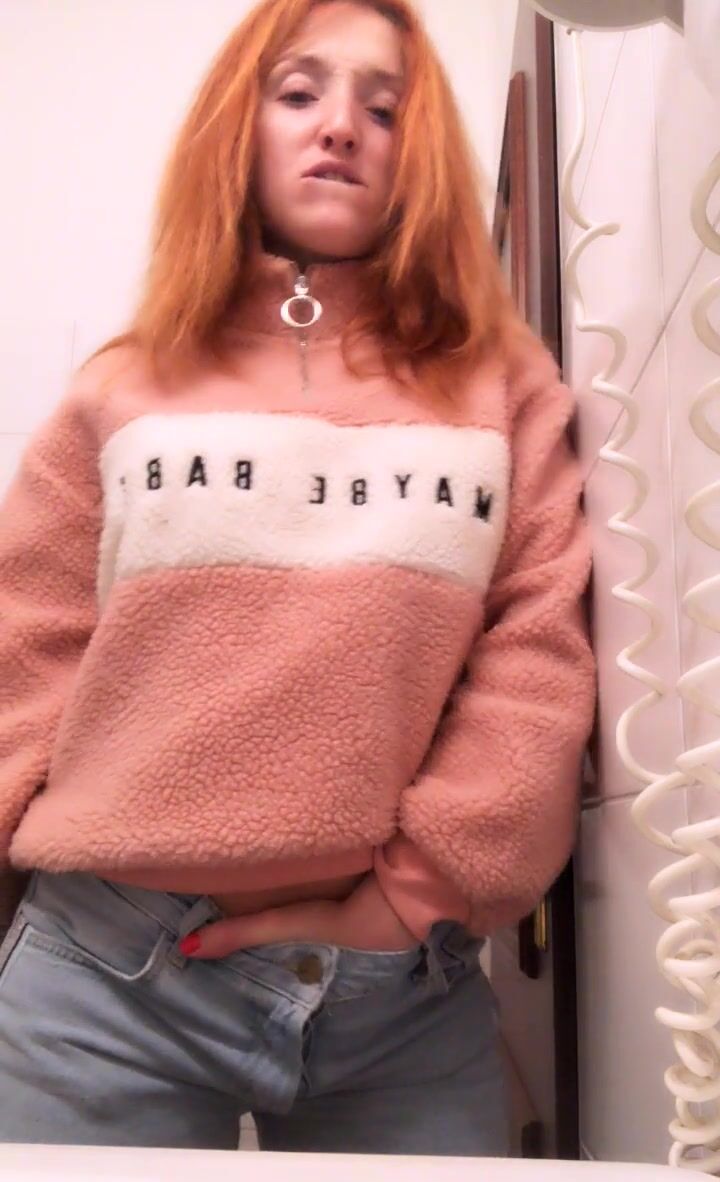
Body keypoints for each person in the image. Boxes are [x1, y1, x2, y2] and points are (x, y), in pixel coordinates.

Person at [0, 0, 596, 1157]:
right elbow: (26, 642)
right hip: (102, 978)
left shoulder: (504, 386)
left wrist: (416, 898)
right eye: (299, 92)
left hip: (401, 997)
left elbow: (536, 653)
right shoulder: (118, 386)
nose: (341, 127)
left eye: (386, 108)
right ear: (241, 125)